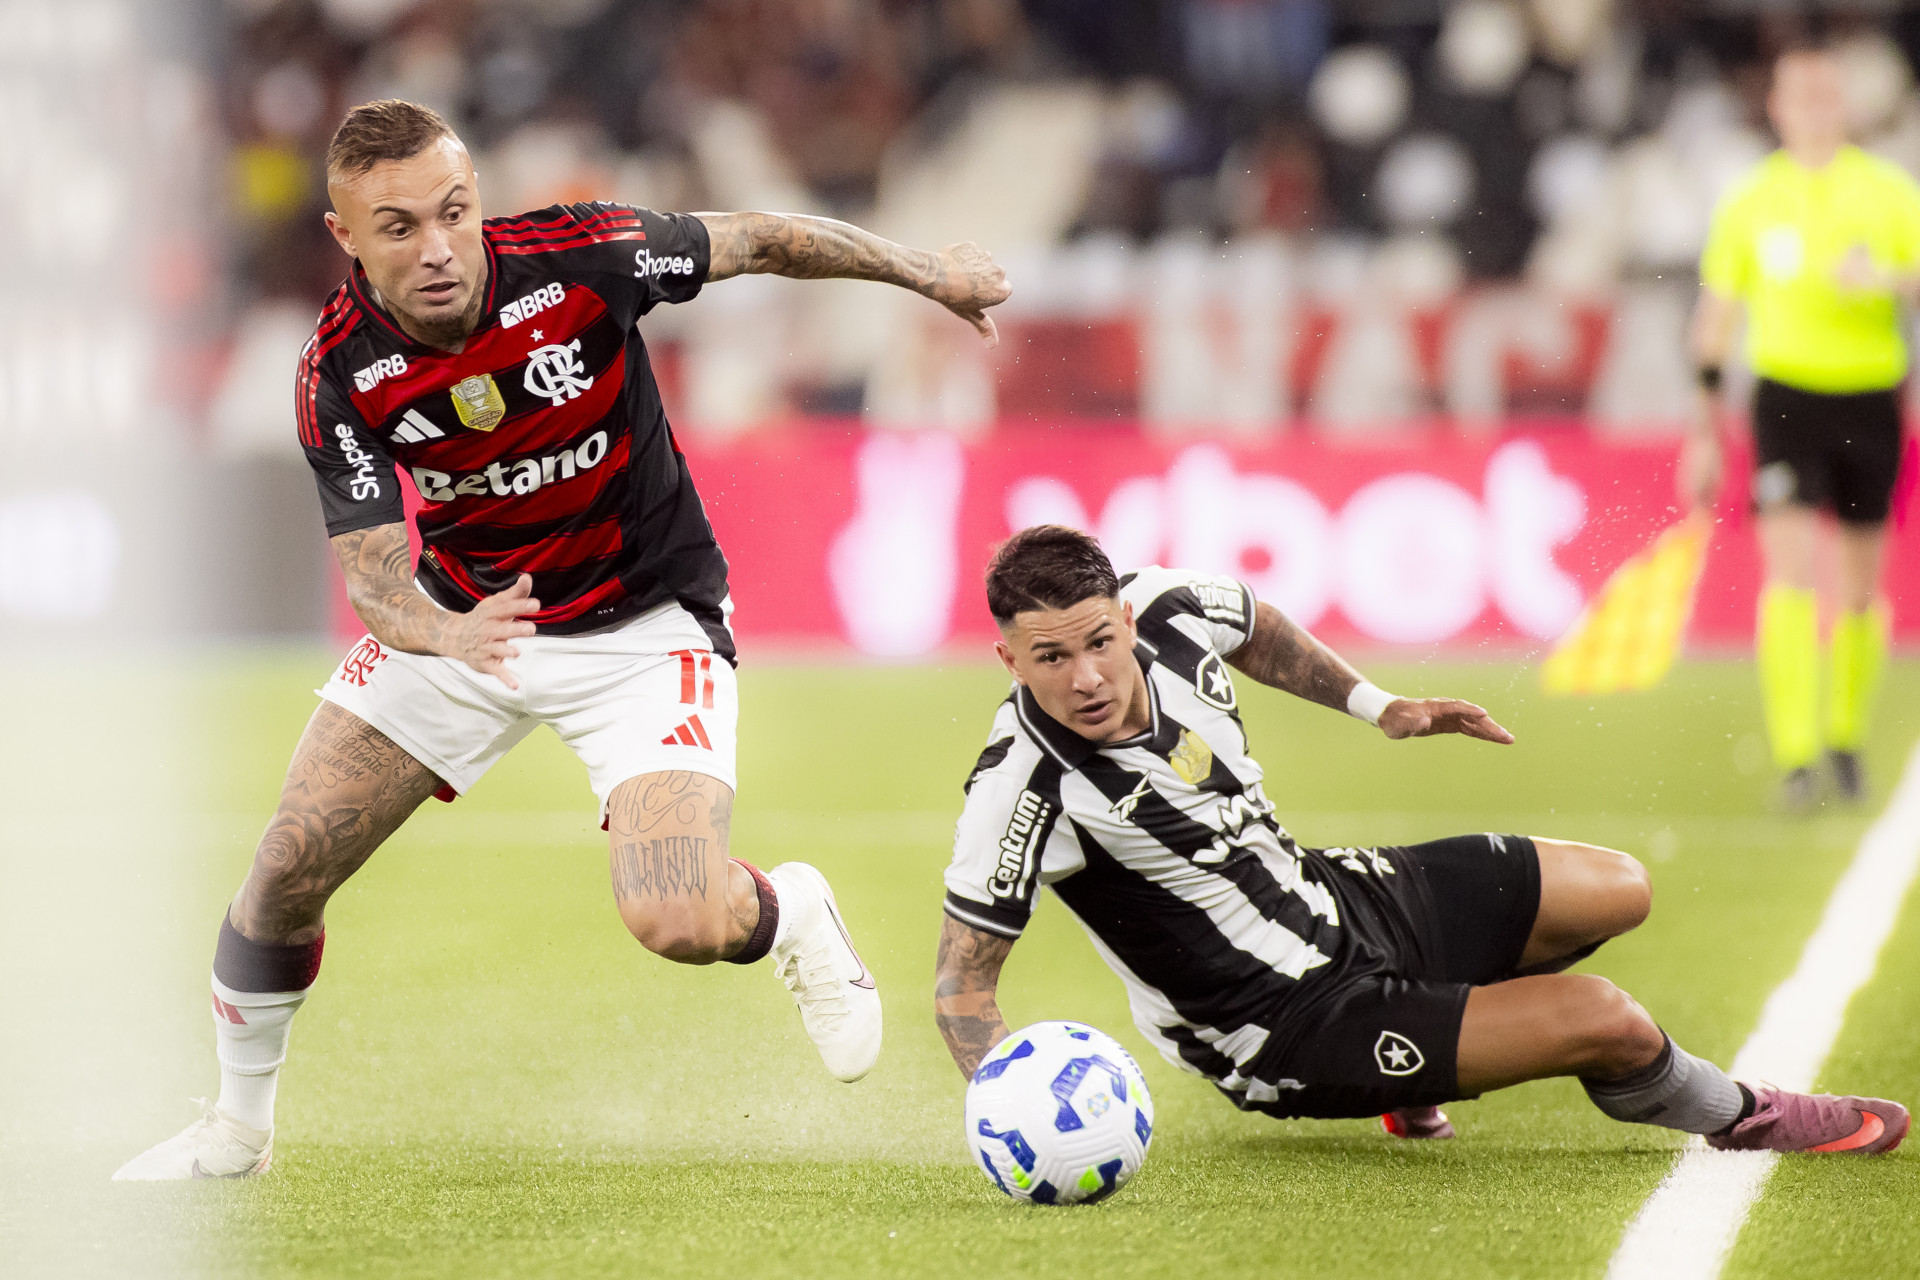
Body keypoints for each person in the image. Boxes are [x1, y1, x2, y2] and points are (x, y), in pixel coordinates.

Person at [115, 99, 1010, 1180]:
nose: (439, 247)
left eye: (454, 211)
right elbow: (373, 577)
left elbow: (763, 239)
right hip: (461, 626)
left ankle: (789, 912)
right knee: (282, 872)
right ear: (344, 235)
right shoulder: (337, 371)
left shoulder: (585, 255)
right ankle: (237, 1132)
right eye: (399, 227)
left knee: (678, 914)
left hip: (643, 624)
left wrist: (929, 274)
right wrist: (447, 631)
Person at [933, 525, 1907, 1153]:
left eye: (1099, 640)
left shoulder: (1171, 605)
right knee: (1606, 1018)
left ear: (1123, 615)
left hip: (1335, 895)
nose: (1087, 677)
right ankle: (1746, 1114)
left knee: (1620, 887)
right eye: (1050, 659)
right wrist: (1012, 1109)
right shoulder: (1020, 788)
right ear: (1008, 656)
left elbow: (1258, 624)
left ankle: (1426, 1050)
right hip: (1280, 1023)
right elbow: (963, 986)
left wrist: (1377, 704)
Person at [1687, 45, 1917, 811]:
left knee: (1858, 582)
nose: (1815, 108)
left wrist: (1886, 279)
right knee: (1788, 570)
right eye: (1800, 95)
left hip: (1868, 395)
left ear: (1843, 105)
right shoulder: (1751, 199)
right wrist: (1704, 426)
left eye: (1827, 94)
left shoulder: (1886, 191)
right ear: (1778, 106)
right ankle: (1794, 754)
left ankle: (1844, 738)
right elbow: (1716, 313)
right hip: (1785, 397)